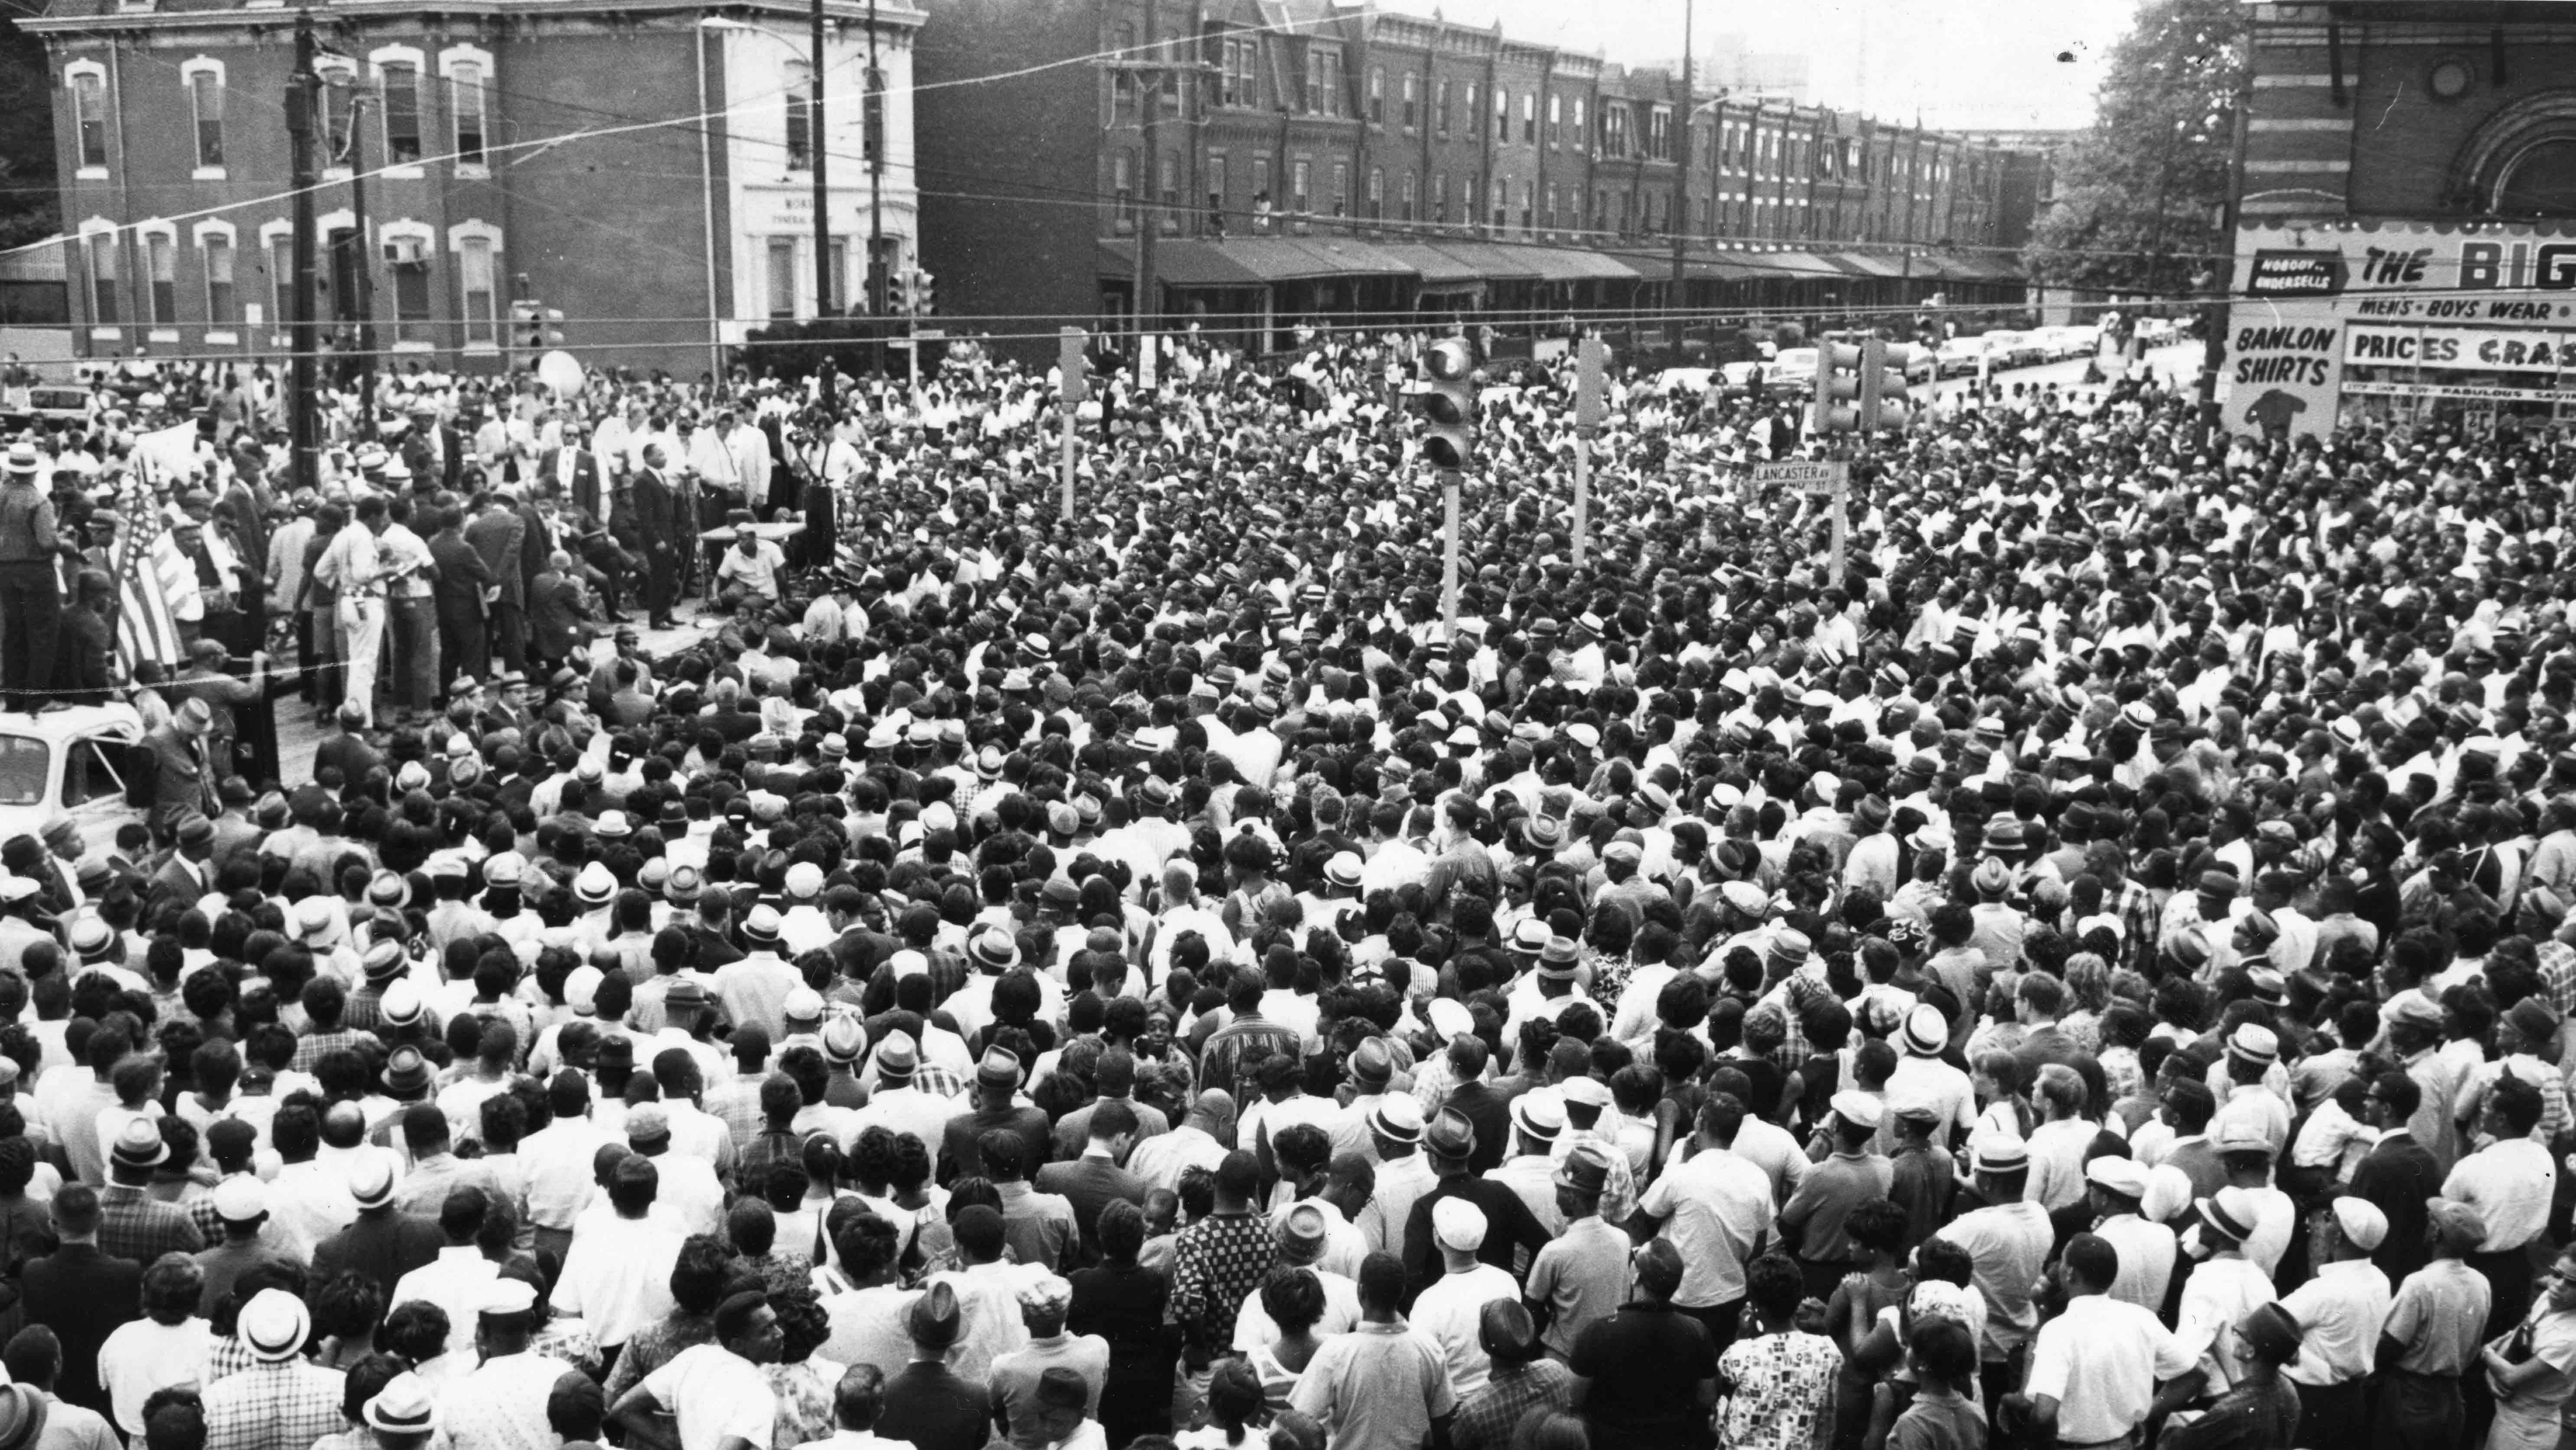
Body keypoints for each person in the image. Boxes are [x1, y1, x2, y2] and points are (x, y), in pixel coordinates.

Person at [1286, 1252, 1454, 1450]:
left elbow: (1302, 1417)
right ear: (1402, 1292)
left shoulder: (1334, 1353)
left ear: (1361, 1292)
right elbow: (1443, 1421)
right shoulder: (1429, 1349)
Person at [1567, 1240, 1716, 1450]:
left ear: (1636, 1275)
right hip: (1673, 1442)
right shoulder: (1697, 1331)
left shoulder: (1598, 1332)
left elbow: (1573, 1396)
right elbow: (1706, 1398)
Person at [606, 1289, 783, 1450]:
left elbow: (623, 1408)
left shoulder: (694, 1358)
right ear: (738, 1344)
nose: (780, 1333)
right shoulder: (758, 1391)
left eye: (775, 1324)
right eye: (765, 1331)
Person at [1712, 1254, 1840, 1450]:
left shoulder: (1739, 1354)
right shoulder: (1826, 1352)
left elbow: (1725, 1415)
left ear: (1755, 1307)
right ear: (1798, 1300)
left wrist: (1742, 1334)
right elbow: (1827, 1422)